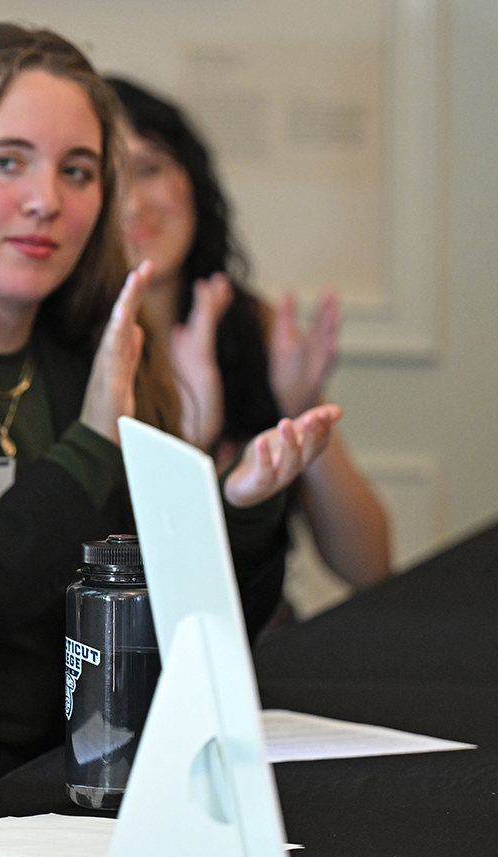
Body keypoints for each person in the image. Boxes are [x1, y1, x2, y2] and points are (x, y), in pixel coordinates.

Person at [0, 23, 341, 785]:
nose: (46, 201)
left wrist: (241, 512)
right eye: (8, 162)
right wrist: (91, 449)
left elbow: (176, 633)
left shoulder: (97, 358)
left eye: (79, 171)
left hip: (90, 781)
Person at [110, 76, 391, 598]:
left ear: (191, 179)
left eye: (149, 169)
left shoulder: (251, 326)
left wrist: (300, 412)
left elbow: (370, 564)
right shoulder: (67, 348)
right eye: (106, 180)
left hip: (262, 637)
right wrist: (189, 442)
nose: (133, 204)